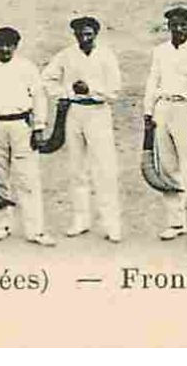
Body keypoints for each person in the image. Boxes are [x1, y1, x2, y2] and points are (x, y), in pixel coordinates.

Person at [0, 26, 56, 246]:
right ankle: (3, 223)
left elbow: (39, 98)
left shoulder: (27, 68)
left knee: (27, 177)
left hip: (21, 126)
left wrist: (38, 127)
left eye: (9, 45)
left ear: (16, 46)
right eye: (0, 45)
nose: (5, 49)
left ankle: (35, 229)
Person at [41, 14, 123, 242]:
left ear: (96, 34)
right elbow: (47, 79)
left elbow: (114, 90)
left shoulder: (106, 56)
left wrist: (91, 89)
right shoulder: (66, 55)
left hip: (98, 113)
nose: (84, 38)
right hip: (74, 112)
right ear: (75, 35)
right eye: (80, 34)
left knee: (104, 169)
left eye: (89, 34)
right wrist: (67, 92)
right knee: (77, 169)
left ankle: (111, 224)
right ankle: (81, 220)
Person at [142, 3, 187, 252]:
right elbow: (153, 81)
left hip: (186, 110)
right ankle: (176, 222)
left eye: (183, 25)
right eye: (174, 25)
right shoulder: (160, 51)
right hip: (163, 109)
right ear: (169, 26)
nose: (179, 29)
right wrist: (148, 111)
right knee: (168, 169)